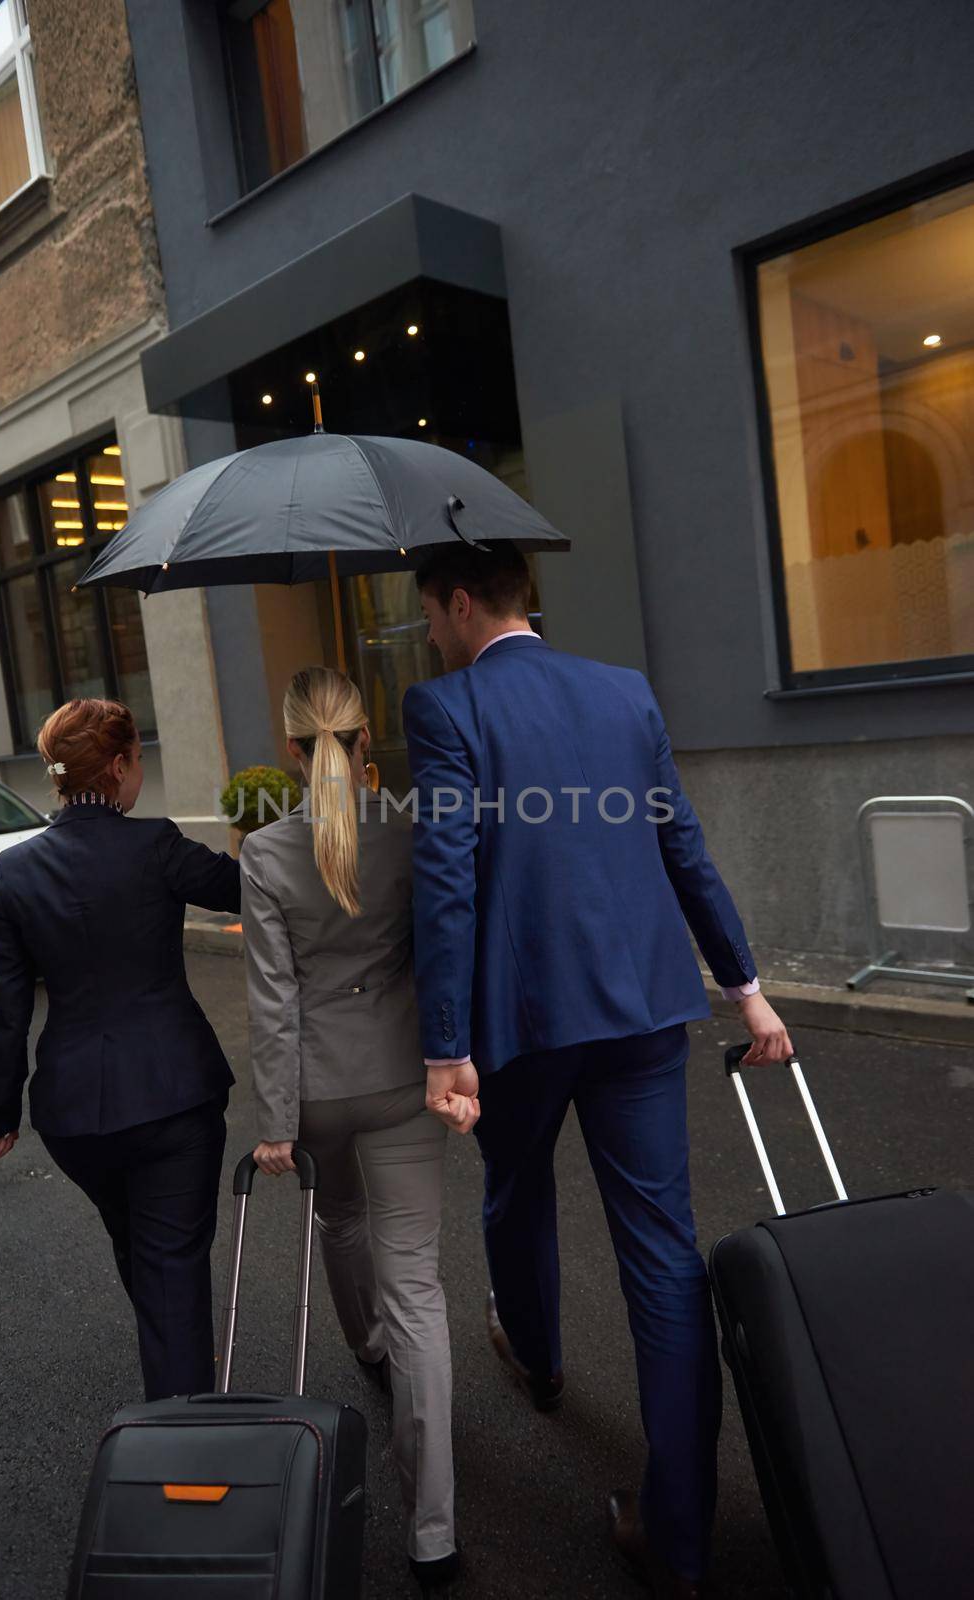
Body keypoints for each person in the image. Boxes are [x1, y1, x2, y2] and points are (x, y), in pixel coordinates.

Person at [403, 543, 793, 1600]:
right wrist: (744, 983)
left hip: (523, 1019)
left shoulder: (444, 708)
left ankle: (535, 1354)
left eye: (433, 613)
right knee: (665, 1258)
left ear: (465, 601)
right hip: (640, 1006)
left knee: (516, 1183)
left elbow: (445, 883)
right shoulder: (624, 692)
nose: (432, 633)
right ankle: (681, 1539)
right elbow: (682, 844)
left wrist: (447, 1048)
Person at [240, 667, 473, 1595]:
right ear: (367, 742)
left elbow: (273, 1002)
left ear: (294, 751)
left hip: (321, 1087)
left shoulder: (263, 853)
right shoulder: (410, 830)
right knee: (421, 1286)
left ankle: (365, 1345)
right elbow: (443, 946)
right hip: (406, 1071)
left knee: (340, 1220)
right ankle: (434, 1529)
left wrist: (274, 1123)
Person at [0, 697, 241, 1403]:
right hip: (173, 1100)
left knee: (144, 1248)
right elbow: (245, 891)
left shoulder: (16, 868)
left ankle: (174, 1353)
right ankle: (188, 1458)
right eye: (138, 764)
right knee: (170, 1261)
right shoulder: (157, 845)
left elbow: (5, 1008)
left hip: (75, 1118)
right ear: (120, 766)